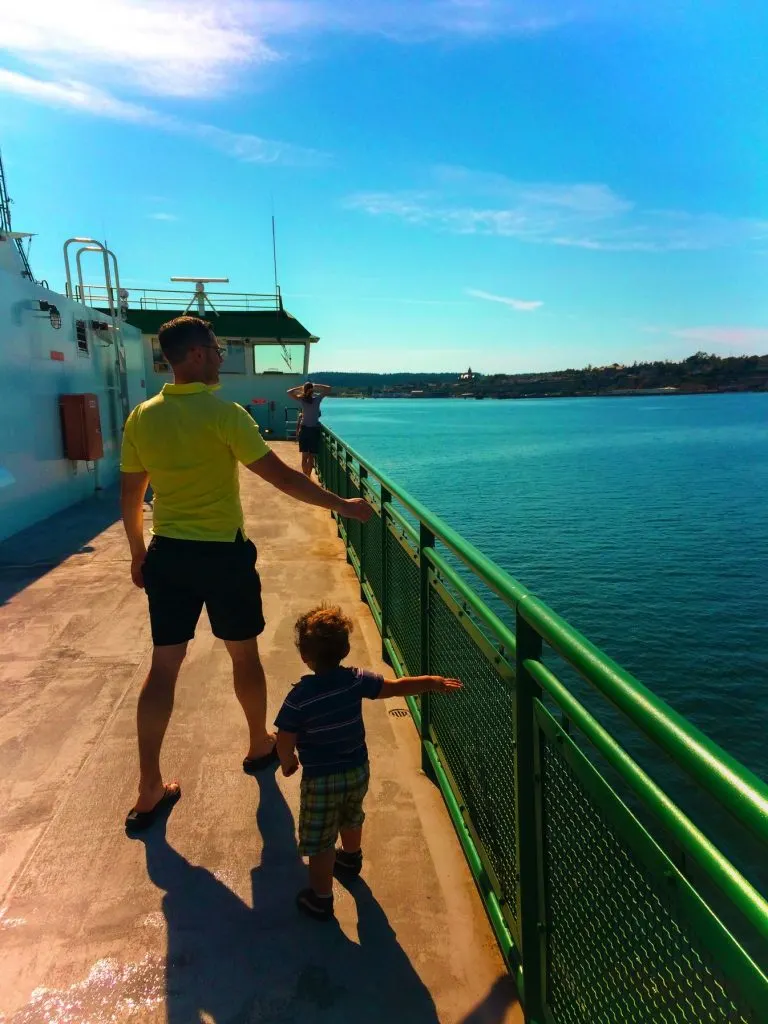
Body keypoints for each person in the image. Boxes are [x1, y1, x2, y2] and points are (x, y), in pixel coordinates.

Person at [120, 317, 372, 833]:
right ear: (192, 355)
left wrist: (137, 550)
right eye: (215, 350)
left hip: (168, 554)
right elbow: (282, 479)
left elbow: (130, 494)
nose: (221, 358)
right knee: (243, 655)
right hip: (223, 557)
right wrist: (343, 505)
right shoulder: (225, 415)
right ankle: (258, 742)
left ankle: (149, 786)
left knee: (163, 667)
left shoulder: (141, 417)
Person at [274, 605, 462, 921]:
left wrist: (287, 760)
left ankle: (320, 899)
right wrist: (430, 681)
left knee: (320, 843)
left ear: (305, 657)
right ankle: (350, 858)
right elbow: (395, 687)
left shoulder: (300, 697)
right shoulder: (356, 680)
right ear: (345, 650)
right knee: (351, 816)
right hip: (357, 770)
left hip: (321, 778)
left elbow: (285, 736)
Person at [287, 381, 331, 478]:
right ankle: (308, 476)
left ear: (305, 390)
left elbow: (289, 392)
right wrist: (316, 385)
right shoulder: (317, 399)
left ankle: (305, 477)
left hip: (304, 430)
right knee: (311, 457)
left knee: (304, 457)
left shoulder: (302, 400)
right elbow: (328, 388)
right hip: (314, 431)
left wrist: (301, 387)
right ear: (312, 391)